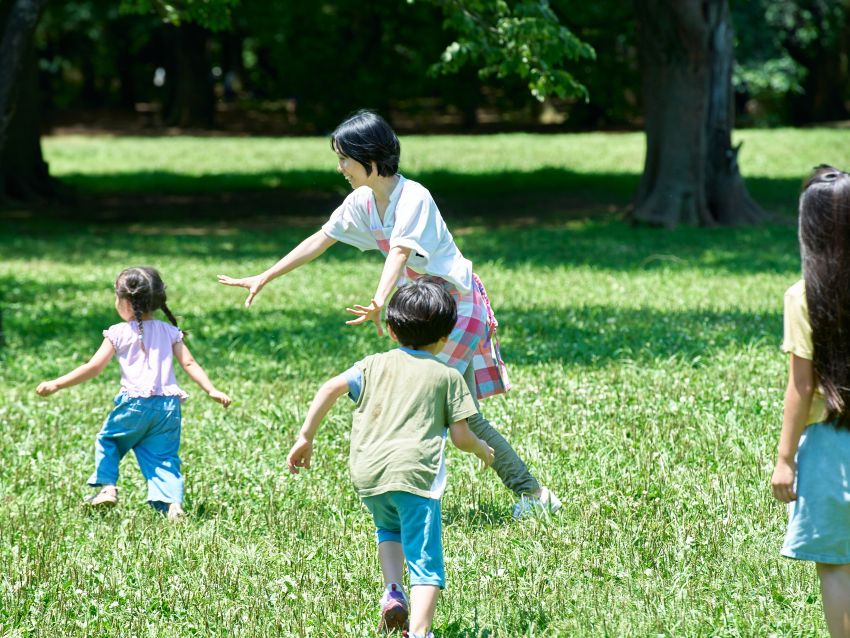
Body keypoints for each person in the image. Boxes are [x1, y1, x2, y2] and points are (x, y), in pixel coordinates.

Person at [219, 109, 559, 518]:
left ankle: (421, 499)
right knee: (462, 425)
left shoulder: (413, 196)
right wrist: (266, 275)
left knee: (428, 405)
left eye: (345, 157)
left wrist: (381, 299)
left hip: (456, 309)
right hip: (430, 311)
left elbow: (400, 250)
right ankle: (534, 496)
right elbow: (322, 239)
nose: (340, 167)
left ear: (370, 157)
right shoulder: (363, 201)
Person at [287, 278, 495, 637]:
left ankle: (393, 590)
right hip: (416, 478)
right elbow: (461, 437)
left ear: (392, 329)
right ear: (446, 336)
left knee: (389, 528)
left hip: (369, 476)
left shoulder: (372, 364)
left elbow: (331, 387)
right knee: (426, 561)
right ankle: (419, 632)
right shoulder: (447, 376)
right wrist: (482, 448)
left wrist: (305, 436)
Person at [36, 267, 231, 519]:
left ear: (125, 301)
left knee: (110, 441)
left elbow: (93, 367)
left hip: (134, 404)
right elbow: (190, 363)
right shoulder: (170, 331)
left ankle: (107, 488)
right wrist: (211, 390)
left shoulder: (118, 332)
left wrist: (57, 383)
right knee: (164, 457)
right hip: (168, 407)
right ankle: (173, 506)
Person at [771, 165, 850, 637]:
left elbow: (801, 388)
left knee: (837, 566)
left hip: (831, 451)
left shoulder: (803, 296)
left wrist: (785, 461)